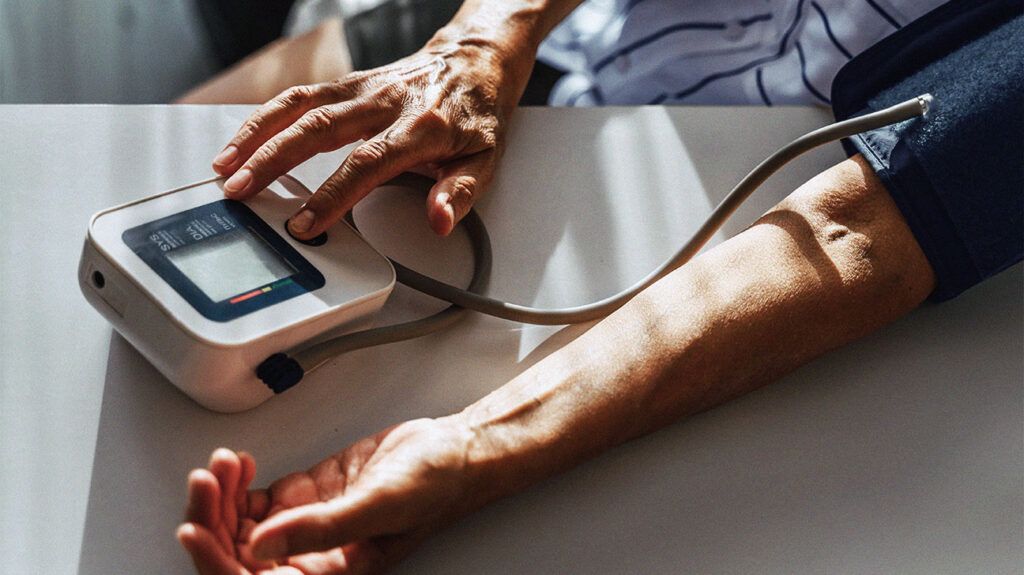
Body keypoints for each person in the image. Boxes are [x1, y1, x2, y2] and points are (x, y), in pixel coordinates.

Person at [175, 0, 1023, 572]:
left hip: (760, 194)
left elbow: (858, 231)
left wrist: (478, 448)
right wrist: (486, 35)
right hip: (535, 40)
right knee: (200, 134)